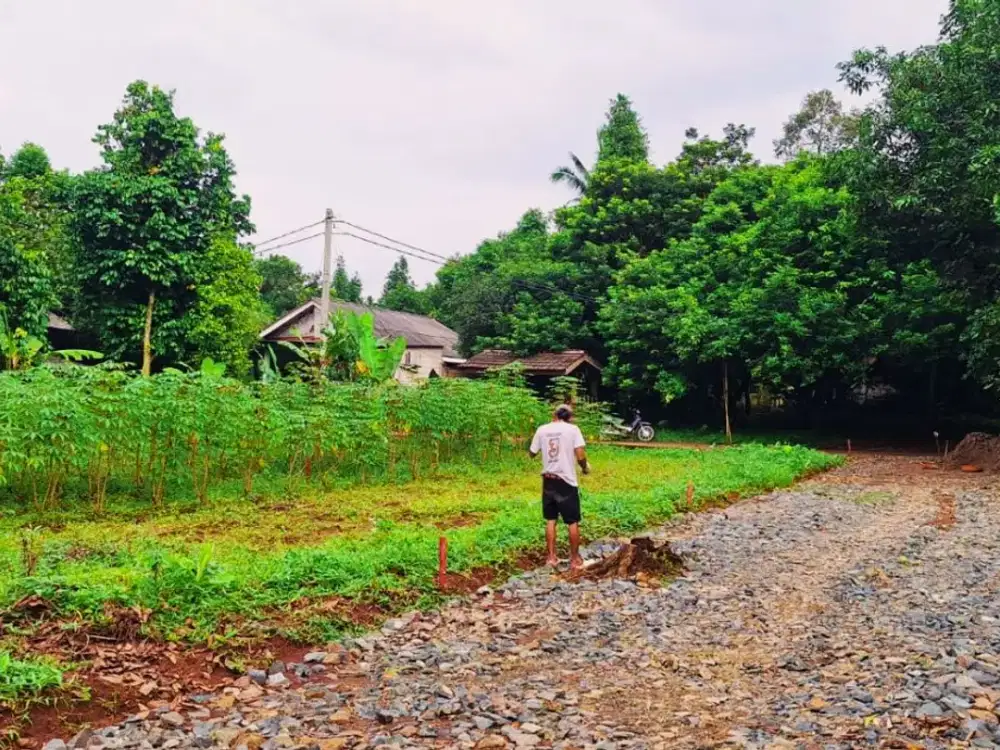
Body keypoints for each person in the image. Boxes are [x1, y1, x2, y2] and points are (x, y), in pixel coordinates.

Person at [528, 404, 590, 570]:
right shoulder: (573, 430)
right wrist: (584, 467)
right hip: (566, 481)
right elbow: (580, 454)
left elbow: (532, 453)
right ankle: (575, 559)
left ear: (554, 415)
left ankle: (551, 557)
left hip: (548, 480)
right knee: (573, 521)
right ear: (569, 417)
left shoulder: (542, 429)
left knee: (550, 520)